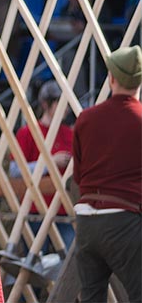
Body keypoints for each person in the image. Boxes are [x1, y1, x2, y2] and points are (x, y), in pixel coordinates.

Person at [71, 45, 141, 303]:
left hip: (87, 220)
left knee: (91, 297)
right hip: (125, 221)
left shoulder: (86, 119)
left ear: (111, 78)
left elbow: (79, 177)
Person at [10, 81, 74, 249]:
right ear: (46, 104)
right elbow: (15, 170)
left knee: (68, 262)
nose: (65, 109)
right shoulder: (27, 132)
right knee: (35, 264)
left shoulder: (70, 133)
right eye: (60, 104)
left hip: (64, 210)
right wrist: (50, 162)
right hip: (35, 212)